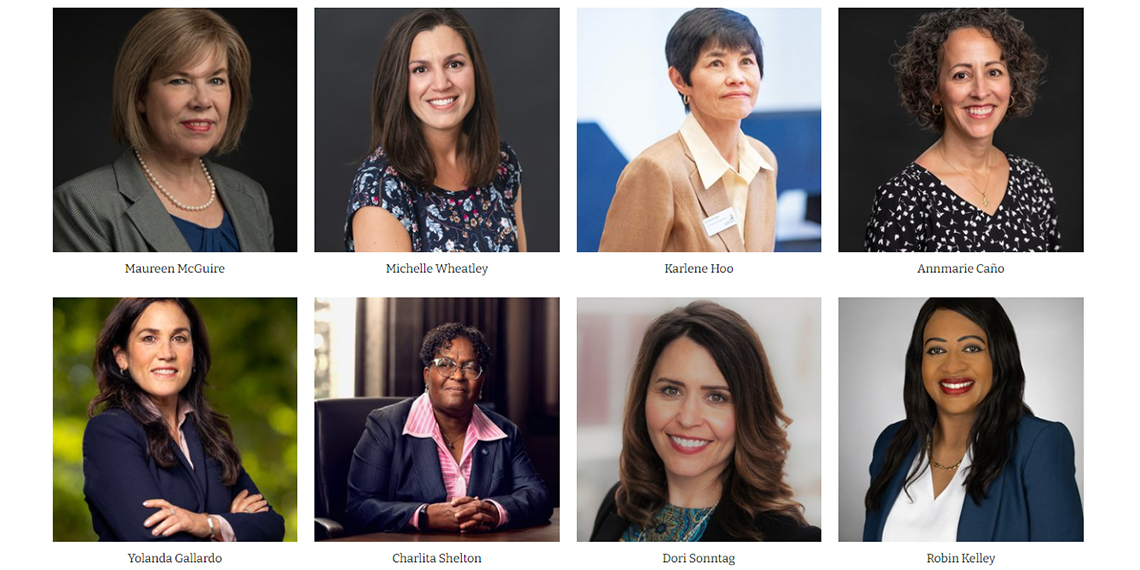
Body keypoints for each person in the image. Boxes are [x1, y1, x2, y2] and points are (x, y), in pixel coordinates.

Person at [591, 301, 819, 541]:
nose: (688, 419)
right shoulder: (618, 503)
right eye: (671, 390)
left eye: (716, 397)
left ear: (749, 412)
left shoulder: (792, 541)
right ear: (643, 397)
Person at [54, 9, 274, 252]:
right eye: (179, 80)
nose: (202, 101)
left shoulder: (251, 196)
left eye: (216, 80)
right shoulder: (83, 204)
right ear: (140, 95)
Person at [863, 298, 1082, 541]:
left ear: (998, 357)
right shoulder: (891, 443)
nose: (952, 366)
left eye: (971, 348)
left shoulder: (1037, 446)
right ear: (919, 363)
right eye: (936, 350)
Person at [83, 298, 285, 541]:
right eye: (149, 338)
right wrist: (226, 528)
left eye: (179, 338)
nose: (166, 354)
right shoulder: (109, 432)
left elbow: (272, 527)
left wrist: (204, 523)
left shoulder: (207, 434)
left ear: (194, 355)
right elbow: (157, 546)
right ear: (121, 357)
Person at [864, 9, 1058, 252]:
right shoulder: (901, 199)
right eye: (961, 75)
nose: (980, 91)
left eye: (993, 72)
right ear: (933, 89)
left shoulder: (1033, 182)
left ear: (1012, 83)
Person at [345, 9, 527, 252]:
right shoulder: (379, 185)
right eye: (421, 69)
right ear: (399, 81)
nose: (441, 84)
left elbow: (523, 285)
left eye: (454, 64)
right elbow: (387, 291)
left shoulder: (503, 163)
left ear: (475, 70)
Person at [598, 9, 777, 252]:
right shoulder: (655, 170)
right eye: (716, 63)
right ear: (680, 80)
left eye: (746, 61)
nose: (737, 77)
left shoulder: (764, 161)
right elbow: (616, 284)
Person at [345, 323, 551, 532]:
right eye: (445, 364)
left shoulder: (505, 432)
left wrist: (493, 511)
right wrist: (424, 515)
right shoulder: (387, 425)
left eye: (470, 367)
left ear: (481, 381)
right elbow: (359, 507)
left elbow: (538, 498)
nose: (458, 376)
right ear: (427, 375)